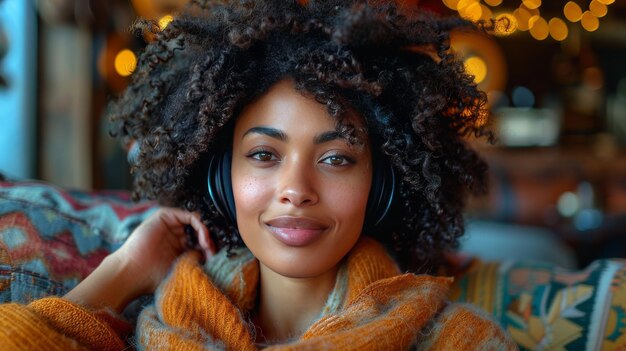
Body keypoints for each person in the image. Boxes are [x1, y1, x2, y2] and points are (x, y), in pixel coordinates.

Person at [0, 0, 517, 349]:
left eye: (336, 158)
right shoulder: (166, 325)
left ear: (382, 184)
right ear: (219, 174)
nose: (295, 190)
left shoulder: (457, 339)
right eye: (265, 155)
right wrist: (121, 274)